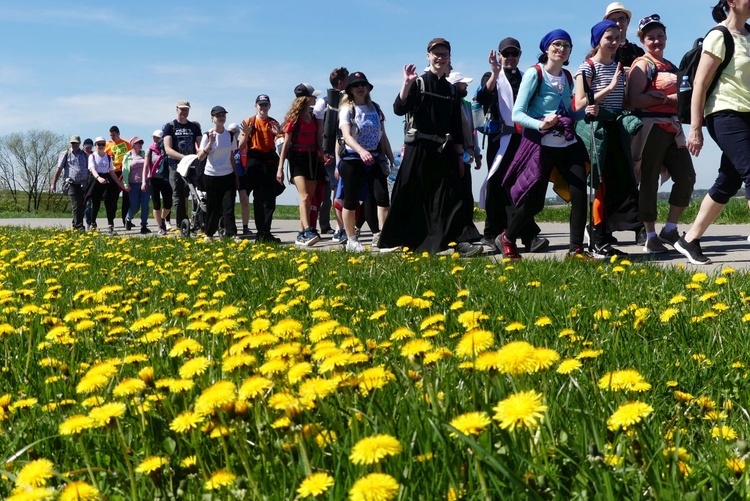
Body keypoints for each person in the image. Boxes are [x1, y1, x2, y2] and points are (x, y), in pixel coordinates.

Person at [378, 37, 482, 256]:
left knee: (450, 196)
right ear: (428, 56)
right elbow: (399, 108)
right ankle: (397, 241)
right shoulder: (419, 83)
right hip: (418, 148)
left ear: (449, 58)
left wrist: (460, 151)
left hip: (443, 149)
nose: (440, 57)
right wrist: (406, 83)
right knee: (408, 192)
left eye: (444, 54)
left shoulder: (452, 91)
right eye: (436, 53)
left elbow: (455, 124)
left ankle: (451, 241)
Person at [498, 29, 590, 260]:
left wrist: (585, 111)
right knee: (535, 202)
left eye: (566, 46)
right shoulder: (534, 73)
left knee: (580, 195)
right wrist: (541, 124)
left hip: (567, 144)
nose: (561, 49)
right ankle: (507, 237)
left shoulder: (567, 77)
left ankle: (575, 251)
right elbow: (517, 114)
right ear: (546, 48)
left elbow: (571, 113)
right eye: (557, 45)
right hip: (540, 146)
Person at [676, 0, 750, 265]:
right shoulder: (719, 36)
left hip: (747, 114)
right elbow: (700, 84)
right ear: (731, 1)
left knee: (729, 181)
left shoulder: (749, 36)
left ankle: (689, 239)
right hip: (724, 113)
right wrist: (695, 128)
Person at [574, 20, 642, 259]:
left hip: (615, 130)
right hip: (597, 129)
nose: (614, 42)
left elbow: (622, 102)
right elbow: (581, 102)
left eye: (617, 38)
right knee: (599, 185)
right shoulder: (587, 67)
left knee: (617, 183)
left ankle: (604, 237)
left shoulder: (618, 66)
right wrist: (610, 87)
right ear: (597, 41)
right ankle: (596, 236)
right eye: (608, 38)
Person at [627, 14, 695, 253]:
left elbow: (681, 98)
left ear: (666, 37)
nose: (656, 41)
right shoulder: (642, 64)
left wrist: (664, 99)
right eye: (650, 38)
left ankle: (670, 228)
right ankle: (650, 235)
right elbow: (633, 100)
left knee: (687, 177)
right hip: (650, 130)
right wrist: (667, 99)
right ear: (642, 41)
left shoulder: (670, 66)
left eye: (660, 36)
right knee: (649, 182)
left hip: (672, 128)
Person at [476, 37, 548, 254]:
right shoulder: (492, 77)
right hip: (500, 140)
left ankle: (526, 235)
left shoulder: (528, 77)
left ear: (519, 55)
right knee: (497, 186)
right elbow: (483, 97)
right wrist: (495, 73)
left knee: (522, 187)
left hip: (523, 139)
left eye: (513, 54)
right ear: (499, 56)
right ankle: (492, 234)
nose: (509, 58)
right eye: (505, 54)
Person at [338, 71, 394, 252]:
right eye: (356, 85)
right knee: (351, 200)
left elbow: (382, 135)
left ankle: (383, 237)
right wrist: (361, 151)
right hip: (353, 159)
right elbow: (346, 136)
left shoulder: (375, 108)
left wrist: (390, 158)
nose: (360, 88)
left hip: (375, 158)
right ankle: (351, 240)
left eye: (363, 85)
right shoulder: (347, 109)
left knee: (382, 197)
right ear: (350, 90)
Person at [277, 83, 326, 247]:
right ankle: (308, 230)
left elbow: (318, 138)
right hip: (297, 158)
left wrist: (322, 154)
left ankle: (301, 234)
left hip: (312, 158)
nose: (316, 98)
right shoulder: (294, 119)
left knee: (309, 198)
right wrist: (280, 168)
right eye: (313, 96)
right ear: (306, 98)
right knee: (304, 196)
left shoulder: (312, 116)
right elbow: (286, 144)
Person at [239, 94, 284, 243]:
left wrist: (278, 134)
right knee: (258, 197)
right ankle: (260, 232)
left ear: (269, 106)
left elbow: (281, 147)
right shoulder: (249, 122)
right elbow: (240, 147)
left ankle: (266, 231)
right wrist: (247, 133)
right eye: (260, 105)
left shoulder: (274, 123)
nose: (263, 107)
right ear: (255, 106)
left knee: (270, 198)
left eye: (265, 105)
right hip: (255, 160)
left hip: (269, 161)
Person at [314, 67, 349, 236]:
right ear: (341, 82)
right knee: (337, 189)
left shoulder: (347, 100)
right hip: (331, 152)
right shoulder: (325, 102)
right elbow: (320, 130)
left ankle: (342, 226)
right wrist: (324, 153)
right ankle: (339, 227)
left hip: (345, 149)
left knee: (341, 189)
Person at [197, 106, 239, 242]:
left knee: (229, 207)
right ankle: (209, 234)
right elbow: (200, 157)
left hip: (228, 175)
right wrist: (210, 144)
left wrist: (236, 175)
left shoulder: (230, 135)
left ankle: (231, 234)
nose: (221, 117)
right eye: (218, 115)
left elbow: (232, 156)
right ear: (212, 118)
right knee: (213, 207)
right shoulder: (207, 135)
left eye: (223, 115)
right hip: (211, 175)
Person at [163, 100, 202, 231]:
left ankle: (198, 222)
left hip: (192, 166)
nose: (184, 111)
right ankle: (182, 224)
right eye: (182, 109)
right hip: (176, 166)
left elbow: (200, 146)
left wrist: (197, 158)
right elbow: (168, 149)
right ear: (177, 109)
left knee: (198, 194)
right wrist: (184, 158)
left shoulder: (194, 127)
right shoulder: (170, 126)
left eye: (186, 109)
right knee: (178, 196)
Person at [86, 136, 128, 235]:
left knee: (109, 203)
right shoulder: (92, 156)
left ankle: (110, 225)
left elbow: (112, 172)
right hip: (95, 180)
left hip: (106, 179)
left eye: (103, 144)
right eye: (99, 144)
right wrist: (98, 178)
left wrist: (119, 184)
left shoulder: (108, 157)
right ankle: (93, 224)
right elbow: (92, 169)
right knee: (95, 204)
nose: (101, 146)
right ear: (95, 145)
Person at [50, 135, 90, 231]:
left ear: (79, 143)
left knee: (82, 206)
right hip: (71, 183)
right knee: (76, 204)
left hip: (84, 184)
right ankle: (79, 226)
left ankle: (75, 223)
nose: (74, 144)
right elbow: (59, 168)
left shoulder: (85, 155)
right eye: (72, 143)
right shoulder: (65, 154)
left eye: (76, 143)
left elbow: (90, 169)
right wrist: (53, 183)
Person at [143, 130, 172, 236]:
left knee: (168, 204)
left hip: (166, 178)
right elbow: (146, 167)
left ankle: (162, 219)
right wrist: (143, 182)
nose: (155, 140)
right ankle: (160, 226)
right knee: (156, 204)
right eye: (154, 137)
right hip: (153, 179)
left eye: (158, 138)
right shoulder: (149, 151)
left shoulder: (167, 149)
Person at [122, 137, 151, 234]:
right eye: (138, 143)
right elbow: (125, 170)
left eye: (141, 143)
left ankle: (144, 225)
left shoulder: (144, 154)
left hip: (144, 183)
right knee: (135, 206)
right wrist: (125, 183)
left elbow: (149, 166)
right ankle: (128, 219)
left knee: (145, 205)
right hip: (133, 184)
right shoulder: (127, 156)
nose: (140, 144)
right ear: (133, 144)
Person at [604, 2, 645, 69]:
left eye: (621, 19)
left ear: (628, 21)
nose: (618, 23)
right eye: (613, 20)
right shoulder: (602, 53)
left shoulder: (638, 52)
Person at [105, 126, 131, 227]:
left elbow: (131, 155)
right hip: (113, 173)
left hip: (124, 171)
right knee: (113, 197)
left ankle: (126, 220)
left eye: (114, 135)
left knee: (127, 197)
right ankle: (112, 217)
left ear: (118, 134)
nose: (112, 137)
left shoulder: (126, 143)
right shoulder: (108, 144)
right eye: (111, 135)